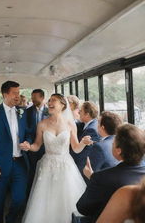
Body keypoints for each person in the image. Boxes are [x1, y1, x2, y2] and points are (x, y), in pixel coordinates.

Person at [20, 94, 93, 223]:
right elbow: (36, 146)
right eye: (49, 101)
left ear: (62, 104)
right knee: (46, 200)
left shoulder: (71, 124)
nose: (50, 103)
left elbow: (76, 148)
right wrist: (28, 146)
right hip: (48, 165)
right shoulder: (42, 124)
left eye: (53, 100)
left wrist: (83, 143)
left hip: (66, 165)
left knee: (66, 198)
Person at [76, 123, 145, 222]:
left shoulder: (101, 177)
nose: (112, 144)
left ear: (118, 151)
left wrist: (92, 178)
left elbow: (82, 208)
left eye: (113, 143)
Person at [0, 81, 31, 223]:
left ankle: (10, 219)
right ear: (5, 94)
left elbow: (28, 132)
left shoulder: (22, 112)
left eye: (18, 92)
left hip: (20, 163)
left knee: (19, 198)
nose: (18, 96)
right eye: (14, 93)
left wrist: (27, 141)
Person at [83, 111, 122, 180]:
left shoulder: (99, 147)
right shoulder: (120, 142)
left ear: (102, 127)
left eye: (98, 123)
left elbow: (90, 172)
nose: (97, 125)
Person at [26, 89, 49, 195]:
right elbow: (27, 130)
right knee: (33, 171)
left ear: (42, 97)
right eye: (32, 97)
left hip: (47, 147)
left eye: (35, 97)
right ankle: (32, 193)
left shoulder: (50, 111)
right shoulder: (28, 111)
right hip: (32, 146)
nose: (33, 99)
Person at [71, 101, 100, 175]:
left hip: (83, 166)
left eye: (80, 111)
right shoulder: (86, 124)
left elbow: (84, 153)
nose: (78, 113)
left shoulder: (92, 129)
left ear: (87, 114)